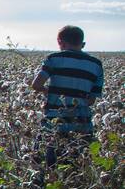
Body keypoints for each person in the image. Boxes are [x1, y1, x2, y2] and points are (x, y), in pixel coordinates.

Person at [32, 25, 105, 166]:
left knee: (45, 164)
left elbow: (36, 85)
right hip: (82, 124)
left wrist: (46, 90)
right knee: (77, 166)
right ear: (82, 43)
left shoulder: (53, 59)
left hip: (55, 121)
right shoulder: (96, 64)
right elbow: (91, 100)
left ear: (60, 42)